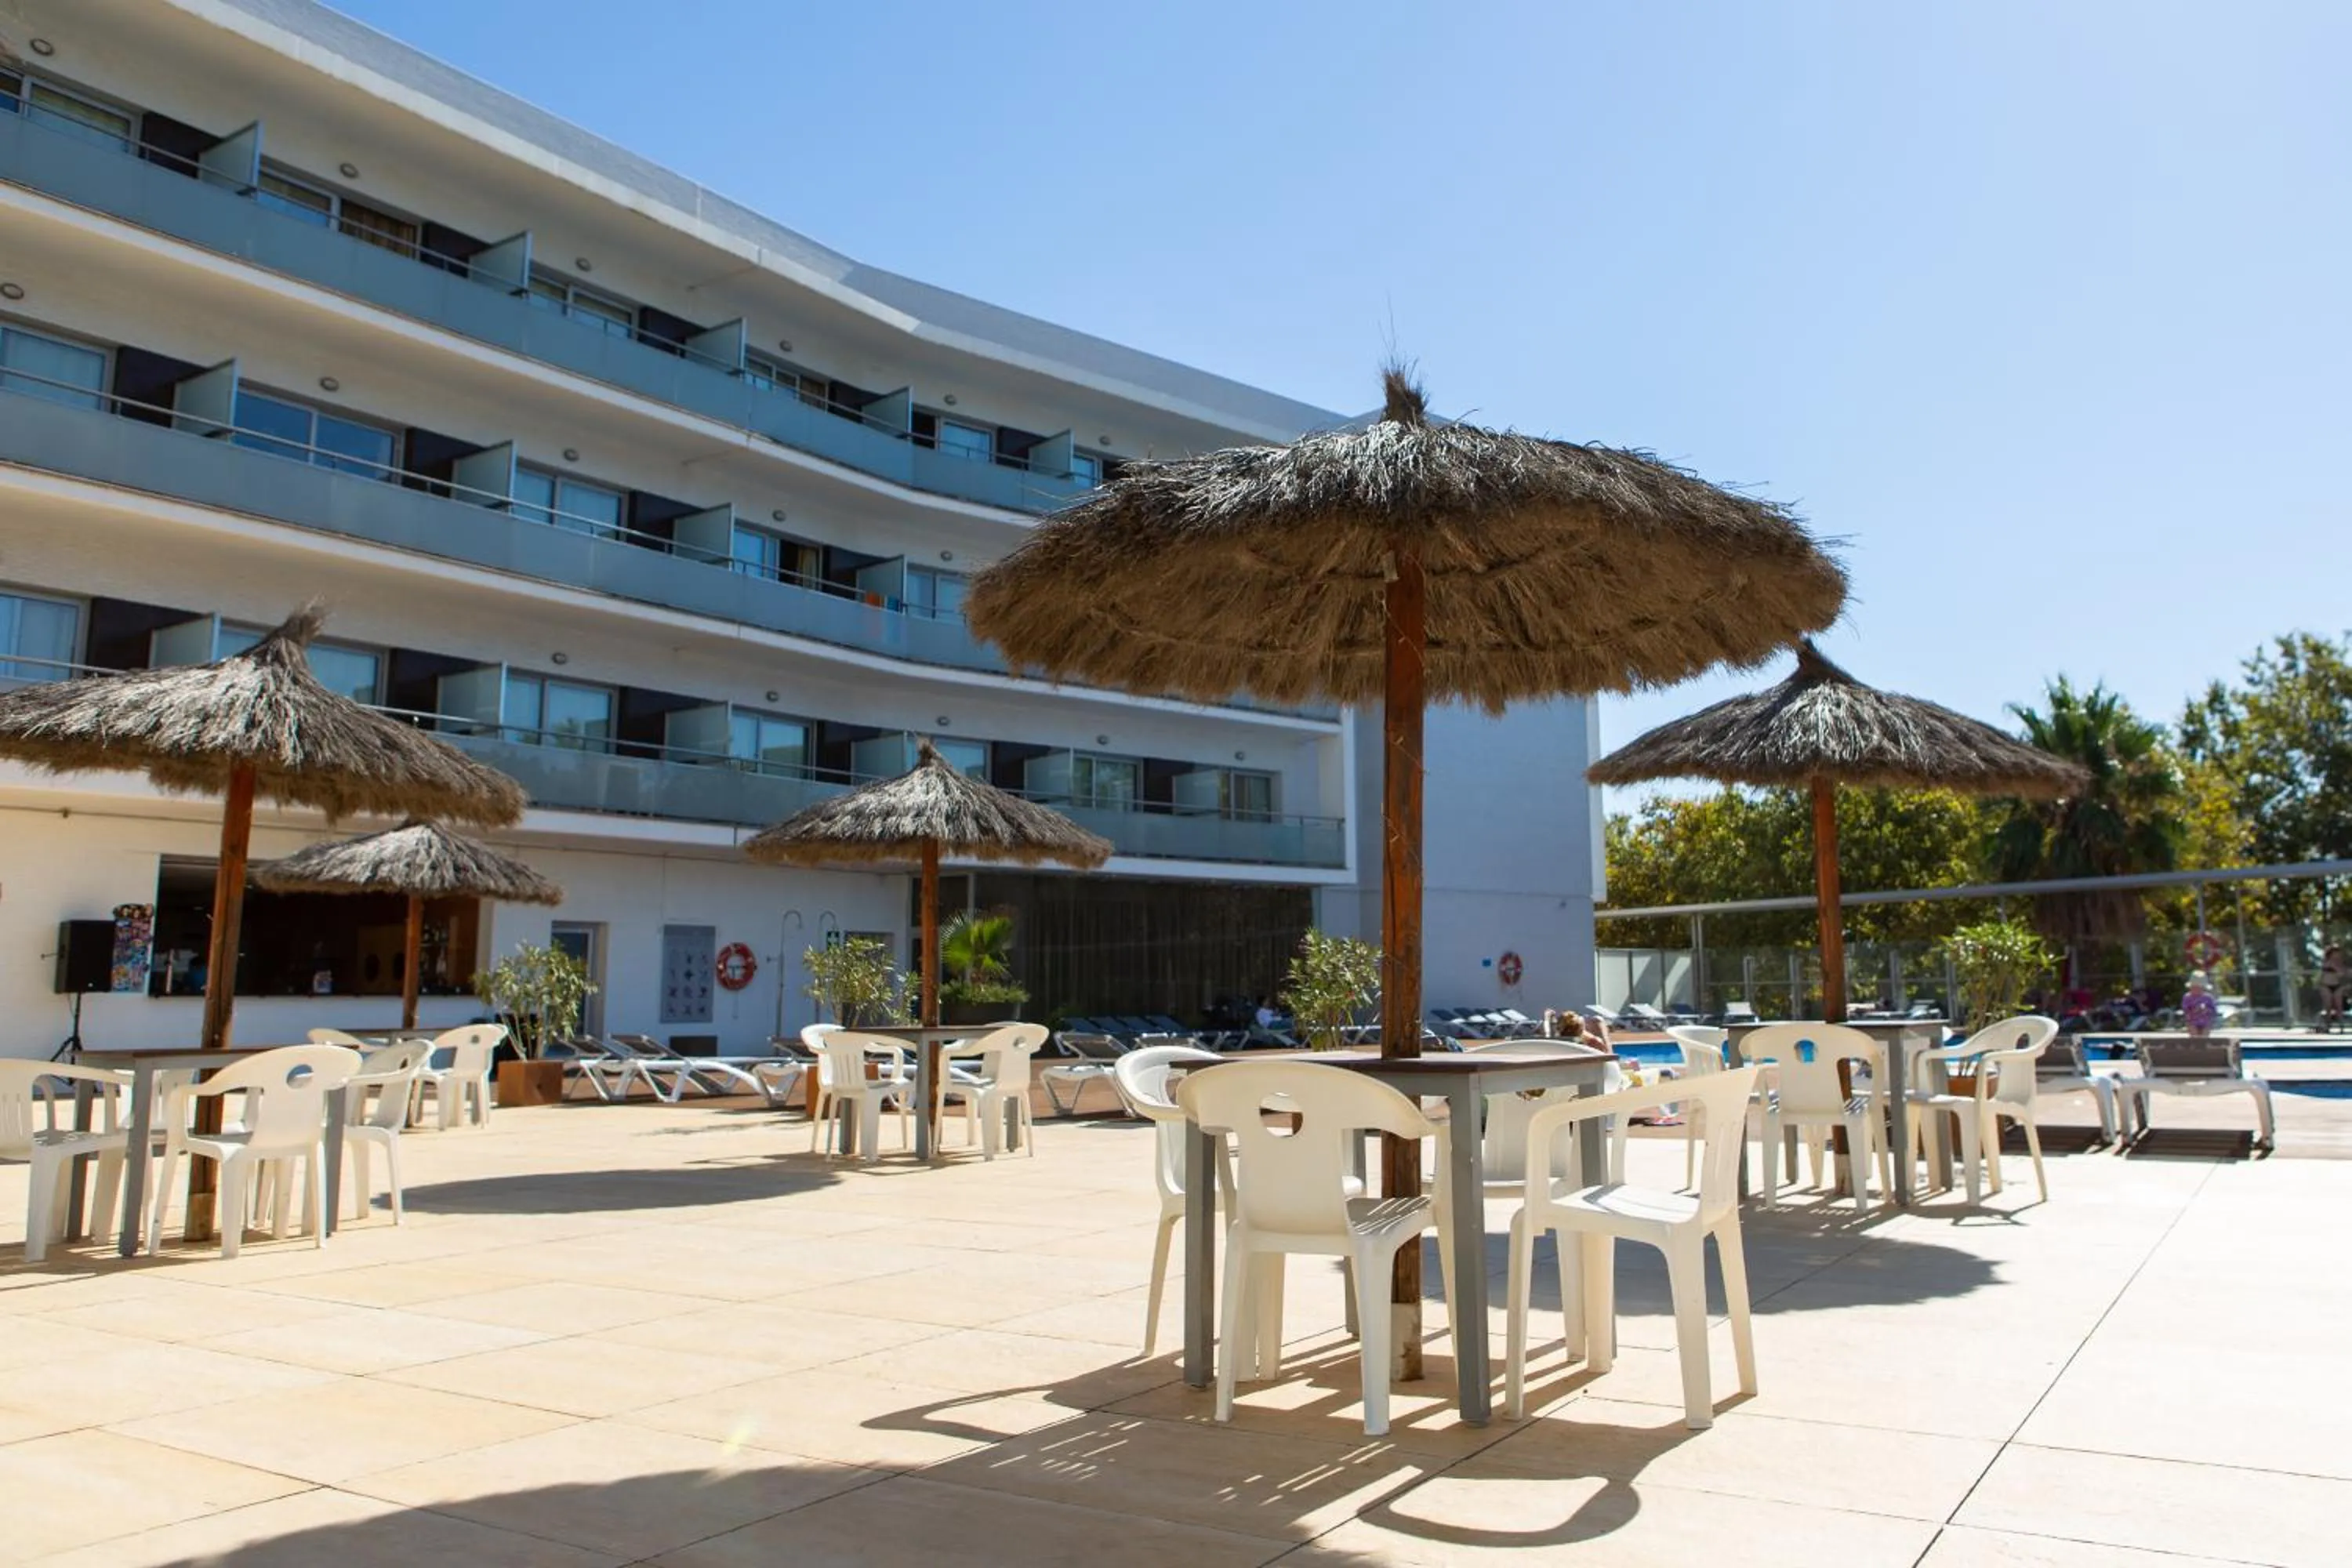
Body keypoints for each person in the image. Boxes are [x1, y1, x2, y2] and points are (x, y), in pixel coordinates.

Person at [2321, 945, 2347, 1033]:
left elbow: (2342, 974)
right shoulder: (2326, 962)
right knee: (2328, 1006)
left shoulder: (2340, 963)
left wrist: (2338, 968)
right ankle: (2327, 1026)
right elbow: (2325, 970)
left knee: (2339, 1006)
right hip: (2326, 985)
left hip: (2337, 985)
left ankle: (2341, 1026)